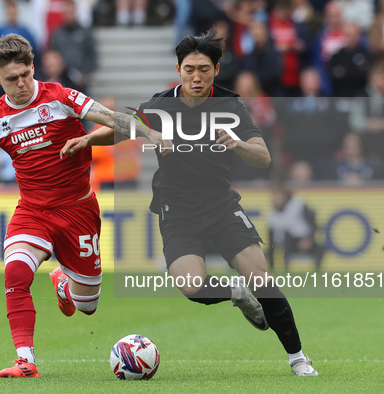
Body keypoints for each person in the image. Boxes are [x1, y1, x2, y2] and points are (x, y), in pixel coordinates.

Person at [61, 31, 319, 377]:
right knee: (192, 286)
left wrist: (238, 144)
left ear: (216, 69)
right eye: (189, 69)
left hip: (221, 204)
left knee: (262, 278)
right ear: (178, 69)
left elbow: (263, 158)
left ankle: (298, 358)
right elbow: (123, 128)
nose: (196, 77)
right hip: (177, 208)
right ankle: (236, 292)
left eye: (204, 69)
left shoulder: (231, 106)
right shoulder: (161, 105)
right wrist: (88, 139)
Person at [0, 33, 163, 379]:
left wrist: (149, 133)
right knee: (15, 273)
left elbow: (108, 117)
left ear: (32, 67)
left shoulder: (59, 96)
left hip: (78, 210)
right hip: (33, 211)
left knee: (87, 306)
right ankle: (26, 360)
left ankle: (63, 284)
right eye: (12, 79)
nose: (22, 83)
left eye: (26, 74)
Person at [267, 184, 325, 271]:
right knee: (286, 238)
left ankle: (317, 271)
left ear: (284, 196)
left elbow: (313, 224)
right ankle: (282, 269)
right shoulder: (272, 215)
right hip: (288, 242)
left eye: (277, 196)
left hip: (304, 238)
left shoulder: (298, 204)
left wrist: (309, 239)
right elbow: (271, 241)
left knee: (321, 247)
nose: (275, 199)